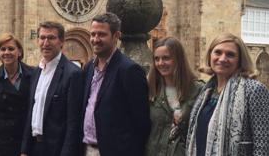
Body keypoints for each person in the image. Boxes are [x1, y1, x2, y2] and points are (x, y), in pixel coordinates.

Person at [185, 33, 269, 156]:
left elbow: (265, 146)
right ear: (210, 56)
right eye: (218, 52)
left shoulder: (255, 90)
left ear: (240, 60)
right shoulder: (206, 91)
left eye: (230, 54)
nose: (222, 59)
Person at [81, 13, 150, 156]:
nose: (95, 39)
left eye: (101, 34)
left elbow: (141, 122)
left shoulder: (129, 70)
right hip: (86, 149)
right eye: (93, 34)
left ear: (116, 36)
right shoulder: (88, 68)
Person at [21, 21, 83, 156]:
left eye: (51, 38)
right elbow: (31, 112)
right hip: (34, 148)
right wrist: (24, 150)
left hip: (57, 149)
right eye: (42, 38)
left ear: (62, 42)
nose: (45, 43)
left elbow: (74, 123)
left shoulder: (73, 74)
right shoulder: (37, 72)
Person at [145, 37, 203, 156]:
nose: (160, 63)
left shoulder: (198, 90)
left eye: (166, 58)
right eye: (157, 59)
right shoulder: (149, 89)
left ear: (178, 59)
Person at [0, 33, 36, 156]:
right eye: (3, 49)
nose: (7, 52)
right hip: (1, 144)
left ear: (19, 52)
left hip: (26, 142)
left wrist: (26, 148)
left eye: (11, 48)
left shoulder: (34, 75)